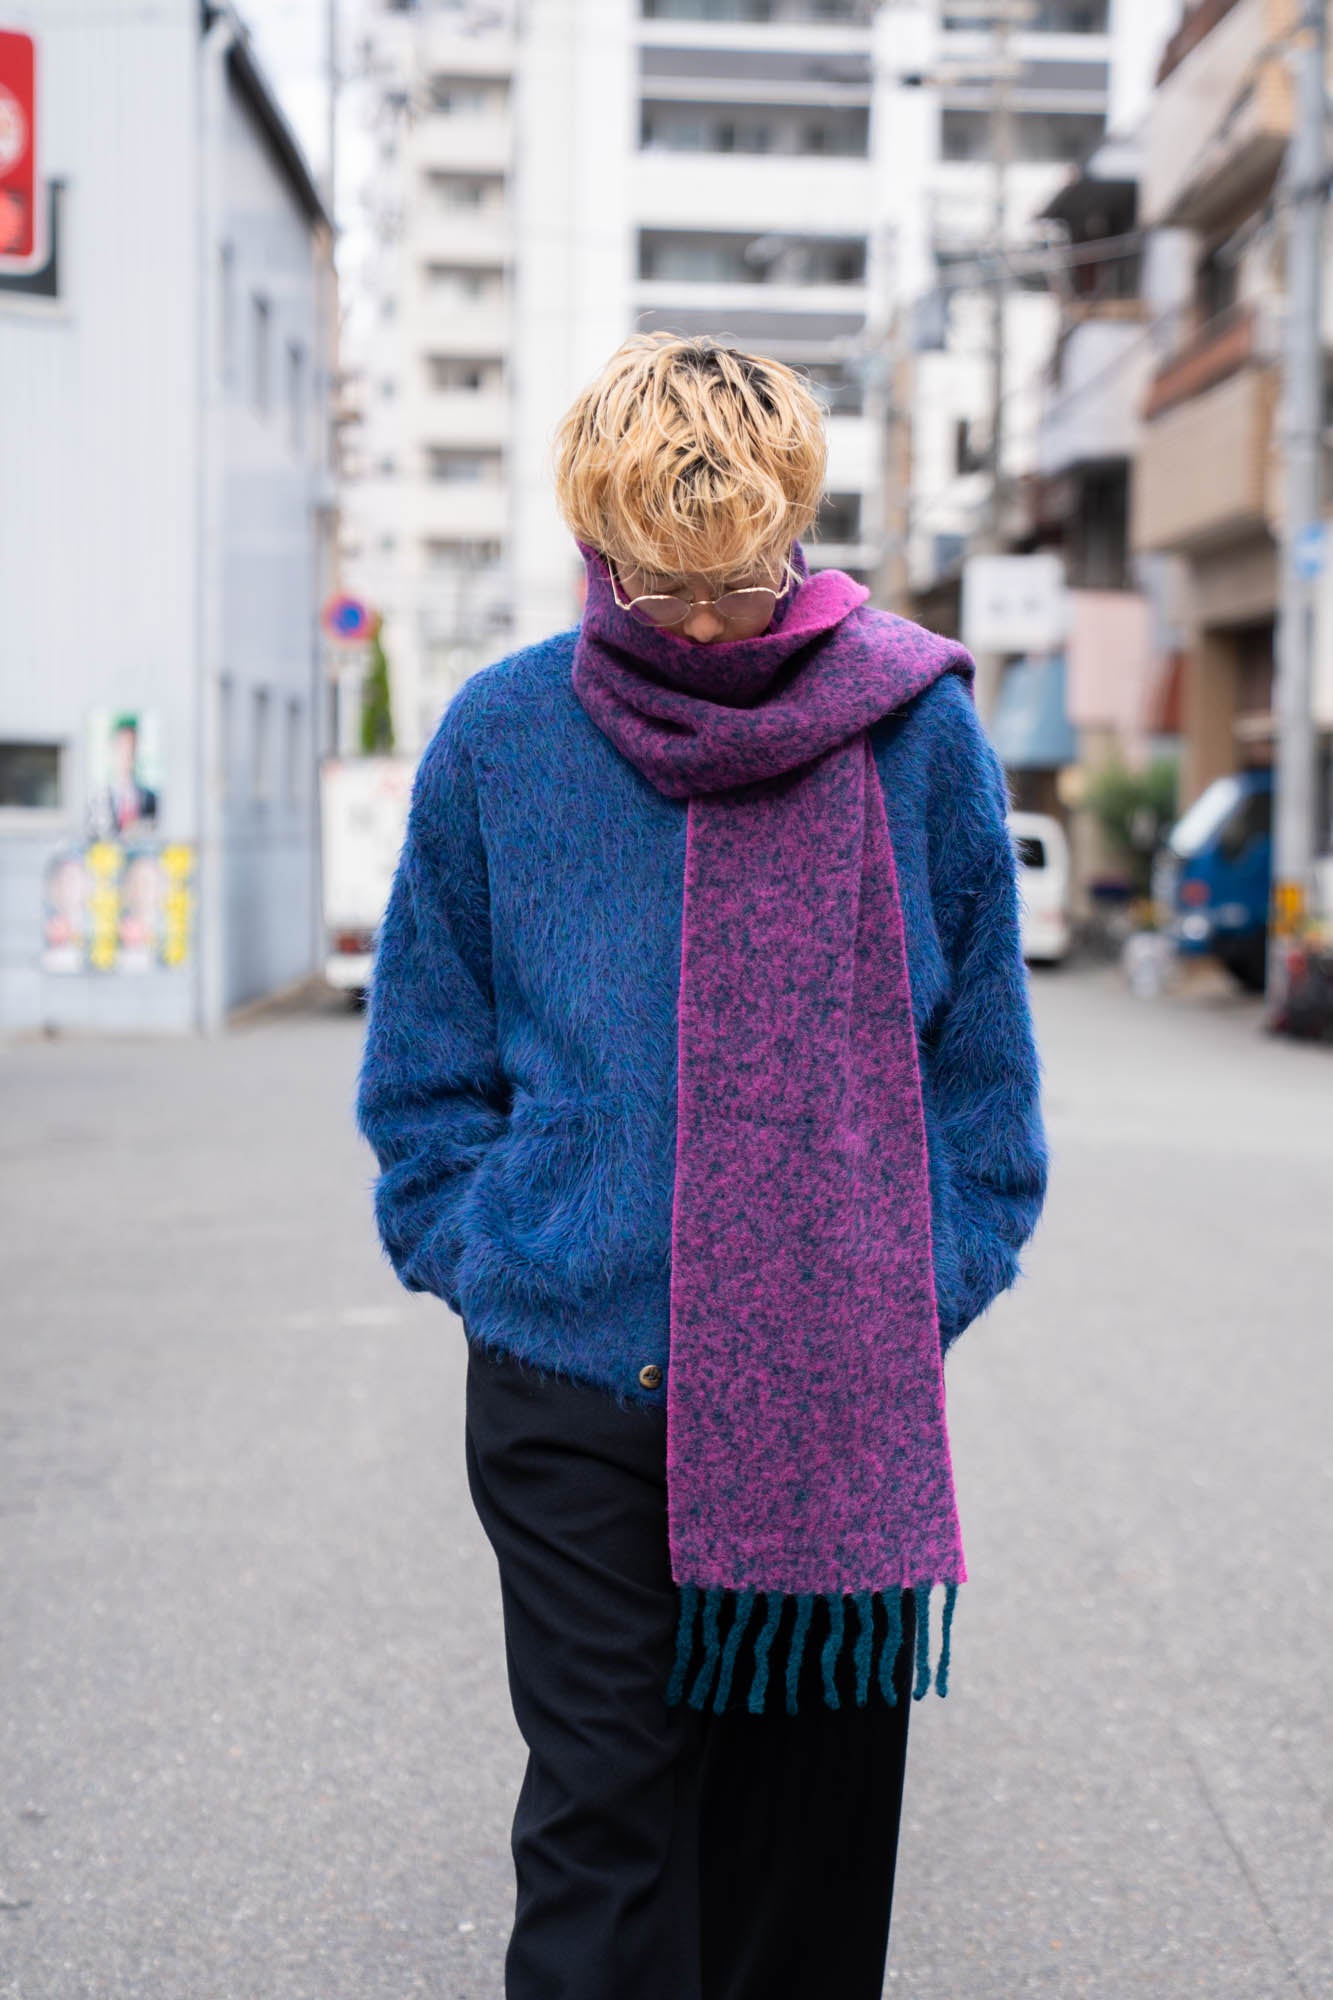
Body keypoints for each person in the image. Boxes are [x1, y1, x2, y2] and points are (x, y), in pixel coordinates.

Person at [355, 334, 1049, 2000]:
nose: (702, 624)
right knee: (601, 1842)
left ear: (793, 525)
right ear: (594, 544)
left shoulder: (913, 732)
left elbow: (982, 1089)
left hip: (829, 1379)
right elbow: (423, 1066)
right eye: (661, 587)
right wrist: (493, 1256)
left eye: (732, 582)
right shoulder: (503, 735)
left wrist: (902, 1285)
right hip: (572, 1380)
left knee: (800, 1866)